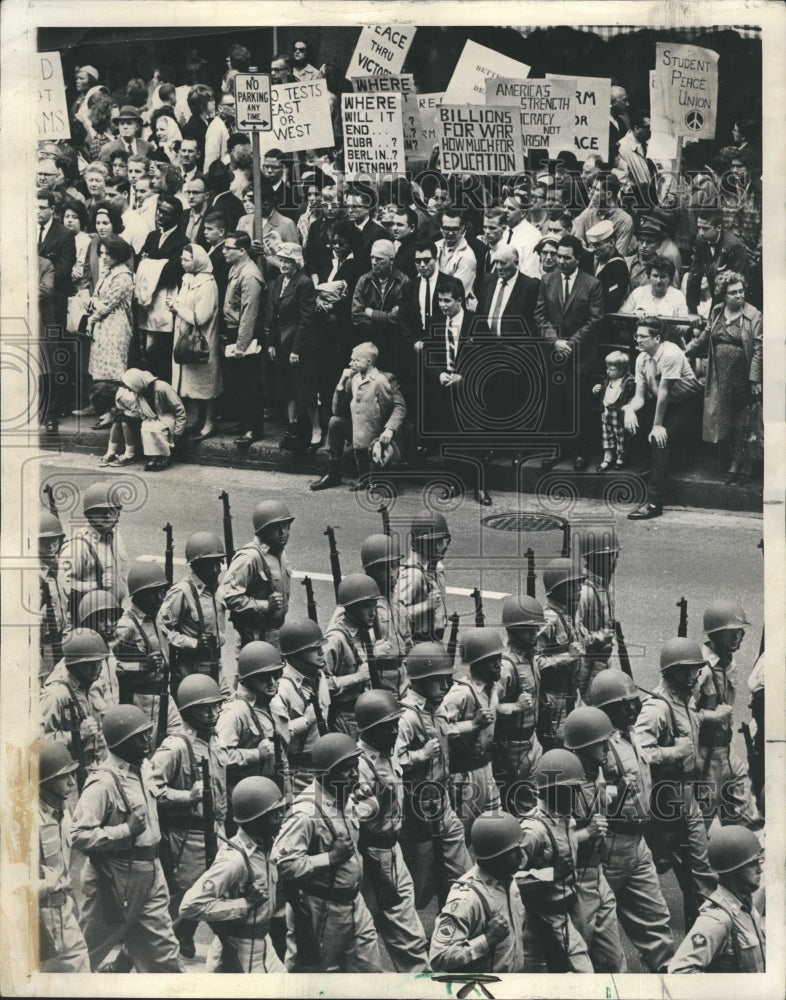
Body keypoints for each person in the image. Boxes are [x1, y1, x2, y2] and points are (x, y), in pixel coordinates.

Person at [70, 705, 183, 971]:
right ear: (121, 741)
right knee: (86, 954)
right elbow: (77, 836)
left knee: (164, 955)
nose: (147, 741)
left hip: (151, 871)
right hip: (115, 876)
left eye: (147, 734)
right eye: (139, 737)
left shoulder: (143, 769)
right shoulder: (103, 782)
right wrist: (126, 831)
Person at [586, 670, 675, 971]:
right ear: (605, 709)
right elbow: (584, 795)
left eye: (634, 702)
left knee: (656, 923)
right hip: (610, 845)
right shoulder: (597, 744)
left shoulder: (633, 734)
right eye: (624, 705)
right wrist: (615, 791)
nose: (633, 709)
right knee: (594, 928)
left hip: (638, 844)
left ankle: (668, 980)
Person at [271, 733, 383, 971]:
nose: (355, 774)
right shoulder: (305, 811)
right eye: (346, 770)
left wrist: (371, 803)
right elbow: (284, 864)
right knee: (309, 978)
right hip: (320, 908)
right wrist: (330, 858)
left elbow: (362, 811)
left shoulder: (345, 793)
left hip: (354, 902)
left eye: (355, 768)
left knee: (371, 975)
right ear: (325, 774)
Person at [633, 638, 718, 913]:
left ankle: (701, 919)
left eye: (695, 669)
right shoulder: (657, 708)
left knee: (697, 866)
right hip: (667, 798)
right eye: (685, 671)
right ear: (669, 673)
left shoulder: (685, 701)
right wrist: (673, 752)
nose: (693, 676)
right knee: (690, 864)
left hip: (686, 792)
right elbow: (639, 754)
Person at [151, 674, 228, 958]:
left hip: (216, 828)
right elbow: (152, 789)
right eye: (205, 708)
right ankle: (166, 942)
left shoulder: (215, 740)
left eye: (217, 706)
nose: (213, 713)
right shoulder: (176, 746)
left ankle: (183, 935)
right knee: (185, 894)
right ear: (187, 711)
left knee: (215, 888)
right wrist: (187, 796)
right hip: (187, 835)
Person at [353, 690, 429, 972]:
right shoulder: (359, 764)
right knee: (358, 938)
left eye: (397, 725)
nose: (396, 732)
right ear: (371, 731)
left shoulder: (387, 752)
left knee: (408, 934)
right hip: (370, 855)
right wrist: (378, 802)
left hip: (392, 849)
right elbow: (352, 815)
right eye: (389, 727)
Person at [179, 776, 287, 972]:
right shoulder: (234, 860)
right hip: (240, 950)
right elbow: (189, 907)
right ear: (255, 821)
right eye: (275, 814)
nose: (282, 817)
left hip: (264, 944)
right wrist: (245, 904)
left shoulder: (267, 847)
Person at [397, 642, 473, 909]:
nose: (445, 686)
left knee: (462, 870)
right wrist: (421, 755)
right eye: (438, 680)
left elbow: (446, 730)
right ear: (421, 681)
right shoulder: (406, 717)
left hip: (442, 801)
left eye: (446, 679)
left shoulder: (434, 707)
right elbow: (394, 762)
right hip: (417, 808)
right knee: (420, 879)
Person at [561, 707, 627, 972]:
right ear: (584, 746)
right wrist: (586, 833)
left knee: (614, 961)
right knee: (576, 961)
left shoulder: (594, 776)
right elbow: (552, 842)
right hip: (576, 880)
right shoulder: (565, 785)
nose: (607, 751)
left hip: (598, 876)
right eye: (601, 745)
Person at [517, 749, 593, 972]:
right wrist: (552, 874)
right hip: (542, 917)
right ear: (554, 791)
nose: (576, 796)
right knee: (583, 975)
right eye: (571, 790)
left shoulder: (564, 819)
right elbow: (508, 880)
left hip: (566, 910)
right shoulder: (533, 829)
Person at [535, 234, 605, 470]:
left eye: (566, 257)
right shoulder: (547, 281)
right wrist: (555, 341)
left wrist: (570, 344)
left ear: (578, 258)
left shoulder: (591, 284)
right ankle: (557, 451)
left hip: (580, 357)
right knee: (555, 405)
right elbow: (540, 316)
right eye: (558, 256)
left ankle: (580, 453)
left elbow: (594, 320)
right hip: (554, 355)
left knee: (580, 407)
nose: (560, 261)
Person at [685, 271, 762, 484]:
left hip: (742, 378)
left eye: (741, 291)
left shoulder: (753, 314)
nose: (739, 296)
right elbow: (706, 336)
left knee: (743, 422)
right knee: (724, 421)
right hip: (719, 377)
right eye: (733, 292)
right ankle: (736, 462)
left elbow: (758, 349)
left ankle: (742, 465)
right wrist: (687, 351)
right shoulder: (717, 311)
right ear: (723, 295)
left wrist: (755, 379)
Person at [623, 317, 703, 519]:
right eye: (636, 335)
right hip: (663, 402)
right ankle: (649, 466)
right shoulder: (642, 358)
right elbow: (640, 396)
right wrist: (630, 410)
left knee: (660, 439)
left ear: (657, 338)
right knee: (633, 417)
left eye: (642, 336)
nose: (638, 339)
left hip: (687, 403)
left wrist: (658, 425)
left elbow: (665, 392)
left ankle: (654, 503)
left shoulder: (671, 353)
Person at [430, 812, 525, 972]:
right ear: (496, 857)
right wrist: (487, 939)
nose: (521, 855)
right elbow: (439, 958)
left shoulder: (508, 879)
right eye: (514, 850)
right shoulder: (466, 899)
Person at [695, 600, 761, 829]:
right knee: (703, 820)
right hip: (704, 756)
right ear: (714, 635)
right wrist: (712, 716)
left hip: (727, 752)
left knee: (749, 817)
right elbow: (681, 714)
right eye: (731, 633)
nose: (738, 638)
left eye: (740, 632)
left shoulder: (729, 663)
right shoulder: (699, 667)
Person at [310, 342, 407, 492]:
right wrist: (341, 384)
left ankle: (380, 480)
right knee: (335, 422)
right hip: (360, 429)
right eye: (351, 360)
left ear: (368, 361)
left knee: (383, 471)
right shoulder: (352, 379)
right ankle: (333, 472)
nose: (351, 363)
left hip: (380, 431)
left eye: (355, 360)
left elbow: (399, 407)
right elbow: (337, 410)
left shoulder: (387, 378)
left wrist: (389, 429)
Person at [668, 826, 765, 972]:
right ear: (733, 871)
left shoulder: (746, 905)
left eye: (759, 861)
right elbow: (679, 971)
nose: (760, 869)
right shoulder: (717, 919)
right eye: (752, 864)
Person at [111, 561, 183, 738]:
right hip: (142, 700)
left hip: (164, 694)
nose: (160, 598)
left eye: (162, 591)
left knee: (180, 741)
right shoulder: (126, 626)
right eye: (154, 593)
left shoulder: (157, 616)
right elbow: (106, 665)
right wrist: (141, 666)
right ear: (140, 595)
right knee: (148, 748)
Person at [442, 629, 502, 837]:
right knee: (466, 831)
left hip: (486, 768)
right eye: (491, 660)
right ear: (476, 663)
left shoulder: (493, 688)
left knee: (494, 827)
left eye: (499, 659)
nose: (498, 665)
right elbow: (438, 729)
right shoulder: (461, 693)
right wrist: (472, 725)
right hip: (465, 775)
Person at [216, 641, 290, 808]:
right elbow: (219, 757)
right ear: (249, 679)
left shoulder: (272, 704)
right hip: (246, 798)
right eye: (263, 677)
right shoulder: (235, 711)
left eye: (276, 674)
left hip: (273, 792)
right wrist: (255, 754)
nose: (272, 682)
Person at [37, 741, 91, 972]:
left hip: (64, 913)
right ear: (43, 781)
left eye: (71, 774)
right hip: (34, 920)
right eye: (63, 776)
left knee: (81, 976)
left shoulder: (63, 811)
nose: (71, 782)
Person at [219, 500, 294, 651]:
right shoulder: (249, 557)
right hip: (254, 636)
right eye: (276, 528)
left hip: (276, 634)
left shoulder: (279, 552)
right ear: (263, 530)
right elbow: (228, 596)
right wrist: (265, 605)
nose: (283, 532)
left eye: (286, 526)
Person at [266, 242, 321, 449]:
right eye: (281, 260)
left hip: (300, 345)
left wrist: (297, 349)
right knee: (287, 389)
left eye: (288, 261)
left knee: (305, 390)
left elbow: (306, 320)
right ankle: (293, 426)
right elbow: (274, 314)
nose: (284, 264)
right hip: (281, 343)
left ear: (297, 263)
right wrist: (271, 343)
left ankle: (316, 428)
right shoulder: (280, 281)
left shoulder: (304, 283)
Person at [158, 530, 226, 693]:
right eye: (211, 565)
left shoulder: (216, 589)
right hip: (191, 668)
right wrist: (193, 643)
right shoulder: (182, 592)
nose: (217, 570)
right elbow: (162, 628)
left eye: (220, 563)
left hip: (215, 662)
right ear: (197, 565)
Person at [168, 242, 222, 438]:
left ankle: (209, 422)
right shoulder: (188, 279)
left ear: (197, 260)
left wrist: (177, 308)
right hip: (187, 339)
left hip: (201, 341)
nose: (182, 262)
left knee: (206, 385)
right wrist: (175, 304)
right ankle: (199, 420)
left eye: (186, 259)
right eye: (181, 258)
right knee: (195, 385)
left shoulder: (208, 285)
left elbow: (200, 317)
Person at [271, 619, 332, 792]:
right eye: (313, 649)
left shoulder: (318, 676)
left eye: (321, 646)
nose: (321, 652)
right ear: (296, 653)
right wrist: (306, 721)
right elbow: (276, 737)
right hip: (299, 772)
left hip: (324, 764)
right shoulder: (282, 688)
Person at [136, 195, 189, 385]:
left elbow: (171, 272)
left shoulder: (182, 241)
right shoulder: (153, 236)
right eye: (159, 211)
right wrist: (154, 265)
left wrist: (148, 263)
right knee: (148, 349)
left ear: (176, 217)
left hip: (166, 300)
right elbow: (138, 262)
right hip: (149, 301)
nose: (160, 216)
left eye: (166, 213)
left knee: (164, 349)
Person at [534, 558, 586, 749]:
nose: (579, 589)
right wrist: (566, 658)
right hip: (553, 701)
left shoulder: (568, 615)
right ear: (557, 588)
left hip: (571, 696)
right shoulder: (548, 619)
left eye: (579, 583)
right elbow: (531, 663)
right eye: (572, 585)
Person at [61, 481, 129, 620]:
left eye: (113, 510)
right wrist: (95, 585)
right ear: (89, 514)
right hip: (92, 619)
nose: (109, 516)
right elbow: (63, 585)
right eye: (101, 512)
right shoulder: (79, 546)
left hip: (115, 613)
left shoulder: (116, 537)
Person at [222, 231, 266, 447]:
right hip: (234, 330)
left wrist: (241, 345)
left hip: (245, 334)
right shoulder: (236, 268)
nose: (224, 252)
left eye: (228, 248)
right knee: (239, 381)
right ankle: (244, 422)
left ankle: (253, 428)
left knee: (250, 382)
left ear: (242, 251)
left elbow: (249, 312)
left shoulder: (249, 274)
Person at [359, 533, 412, 696]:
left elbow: (407, 642)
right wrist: (373, 654)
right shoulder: (361, 604)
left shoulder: (397, 601)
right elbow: (350, 650)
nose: (392, 574)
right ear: (370, 571)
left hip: (402, 677)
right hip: (379, 678)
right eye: (384, 568)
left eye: (395, 566)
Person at [350, 239, 408, 376]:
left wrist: (371, 313)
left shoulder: (403, 281)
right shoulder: (364, 280)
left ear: (391, 260)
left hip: (393, 344)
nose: (374, 262)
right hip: (369, 341)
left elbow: (400, 317)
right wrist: (386, 319)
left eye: (379, 259)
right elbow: (356, 315)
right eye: (372, 257)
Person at [112, 367, 186, 471]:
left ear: (137, 382)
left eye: (129, 386)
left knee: (157, 428)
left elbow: (179, 409)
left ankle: (165, 456)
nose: (128, 389)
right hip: (152, 417)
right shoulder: (139, 393)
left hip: (167, 416)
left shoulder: (162, 388)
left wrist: (179, 430)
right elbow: (140, 410)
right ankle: (155, 456)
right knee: (146, 427)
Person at [395, 514, 450, 643]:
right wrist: (426, 605)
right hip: (418, 645)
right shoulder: (413, 575)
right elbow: (395, 616)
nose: (440, 547)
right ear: (423, 543)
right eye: (435, 541)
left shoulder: (435, 568)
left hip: (434, 640)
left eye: (441, 541)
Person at [685, 208, 749, 312]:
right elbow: (694, 274)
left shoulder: (735, 246)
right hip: (717, 298)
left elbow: (735, 284)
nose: (701, 233)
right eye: (699, 228)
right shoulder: (700, 240)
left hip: (736, 300)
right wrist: (692, 310)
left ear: (718, 227)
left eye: (705, 228)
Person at [39, 510, 70, 685]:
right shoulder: (33, 576)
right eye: (44, 541)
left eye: (55, 539)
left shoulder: (59, 569)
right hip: (43, 646)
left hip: (62, 639)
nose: (51, 545)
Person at [572, 173, 636, 257]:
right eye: (591, 189)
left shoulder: (624, 220)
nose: (591, 193)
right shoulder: (588, 214)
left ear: (609, 194)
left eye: (597, 190)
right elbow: (576, 244)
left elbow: (618, 255)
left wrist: (588, 252)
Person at [592, 351, 636, 471]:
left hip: (618, 413)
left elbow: (633, 396)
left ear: (621, 370)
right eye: (607, 368)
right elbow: (605, 393)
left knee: (620, 436)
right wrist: (596, 390)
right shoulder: (607, 380)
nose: (608, 371)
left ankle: (621, 457)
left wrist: (628, 407)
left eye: (612, 369)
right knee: (607, 435)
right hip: (606, 412)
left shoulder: (628, 382)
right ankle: (608, 457)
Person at [622, 254, 689, 330]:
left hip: (669, 340)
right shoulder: (638, 293)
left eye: (663, 276)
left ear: (670, 278)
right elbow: (621, 319)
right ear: (649, 277)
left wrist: (673, 323)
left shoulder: (678, 296)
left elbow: (684, 327)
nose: (658, 281)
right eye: (655, 276)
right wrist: (633, 315)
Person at [586, 219, 629, 313]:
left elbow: (610, 303)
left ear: (612, 243)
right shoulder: (596, 260)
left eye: (598, 245)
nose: (594, 249)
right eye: (592, 245)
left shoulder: (618, 267)